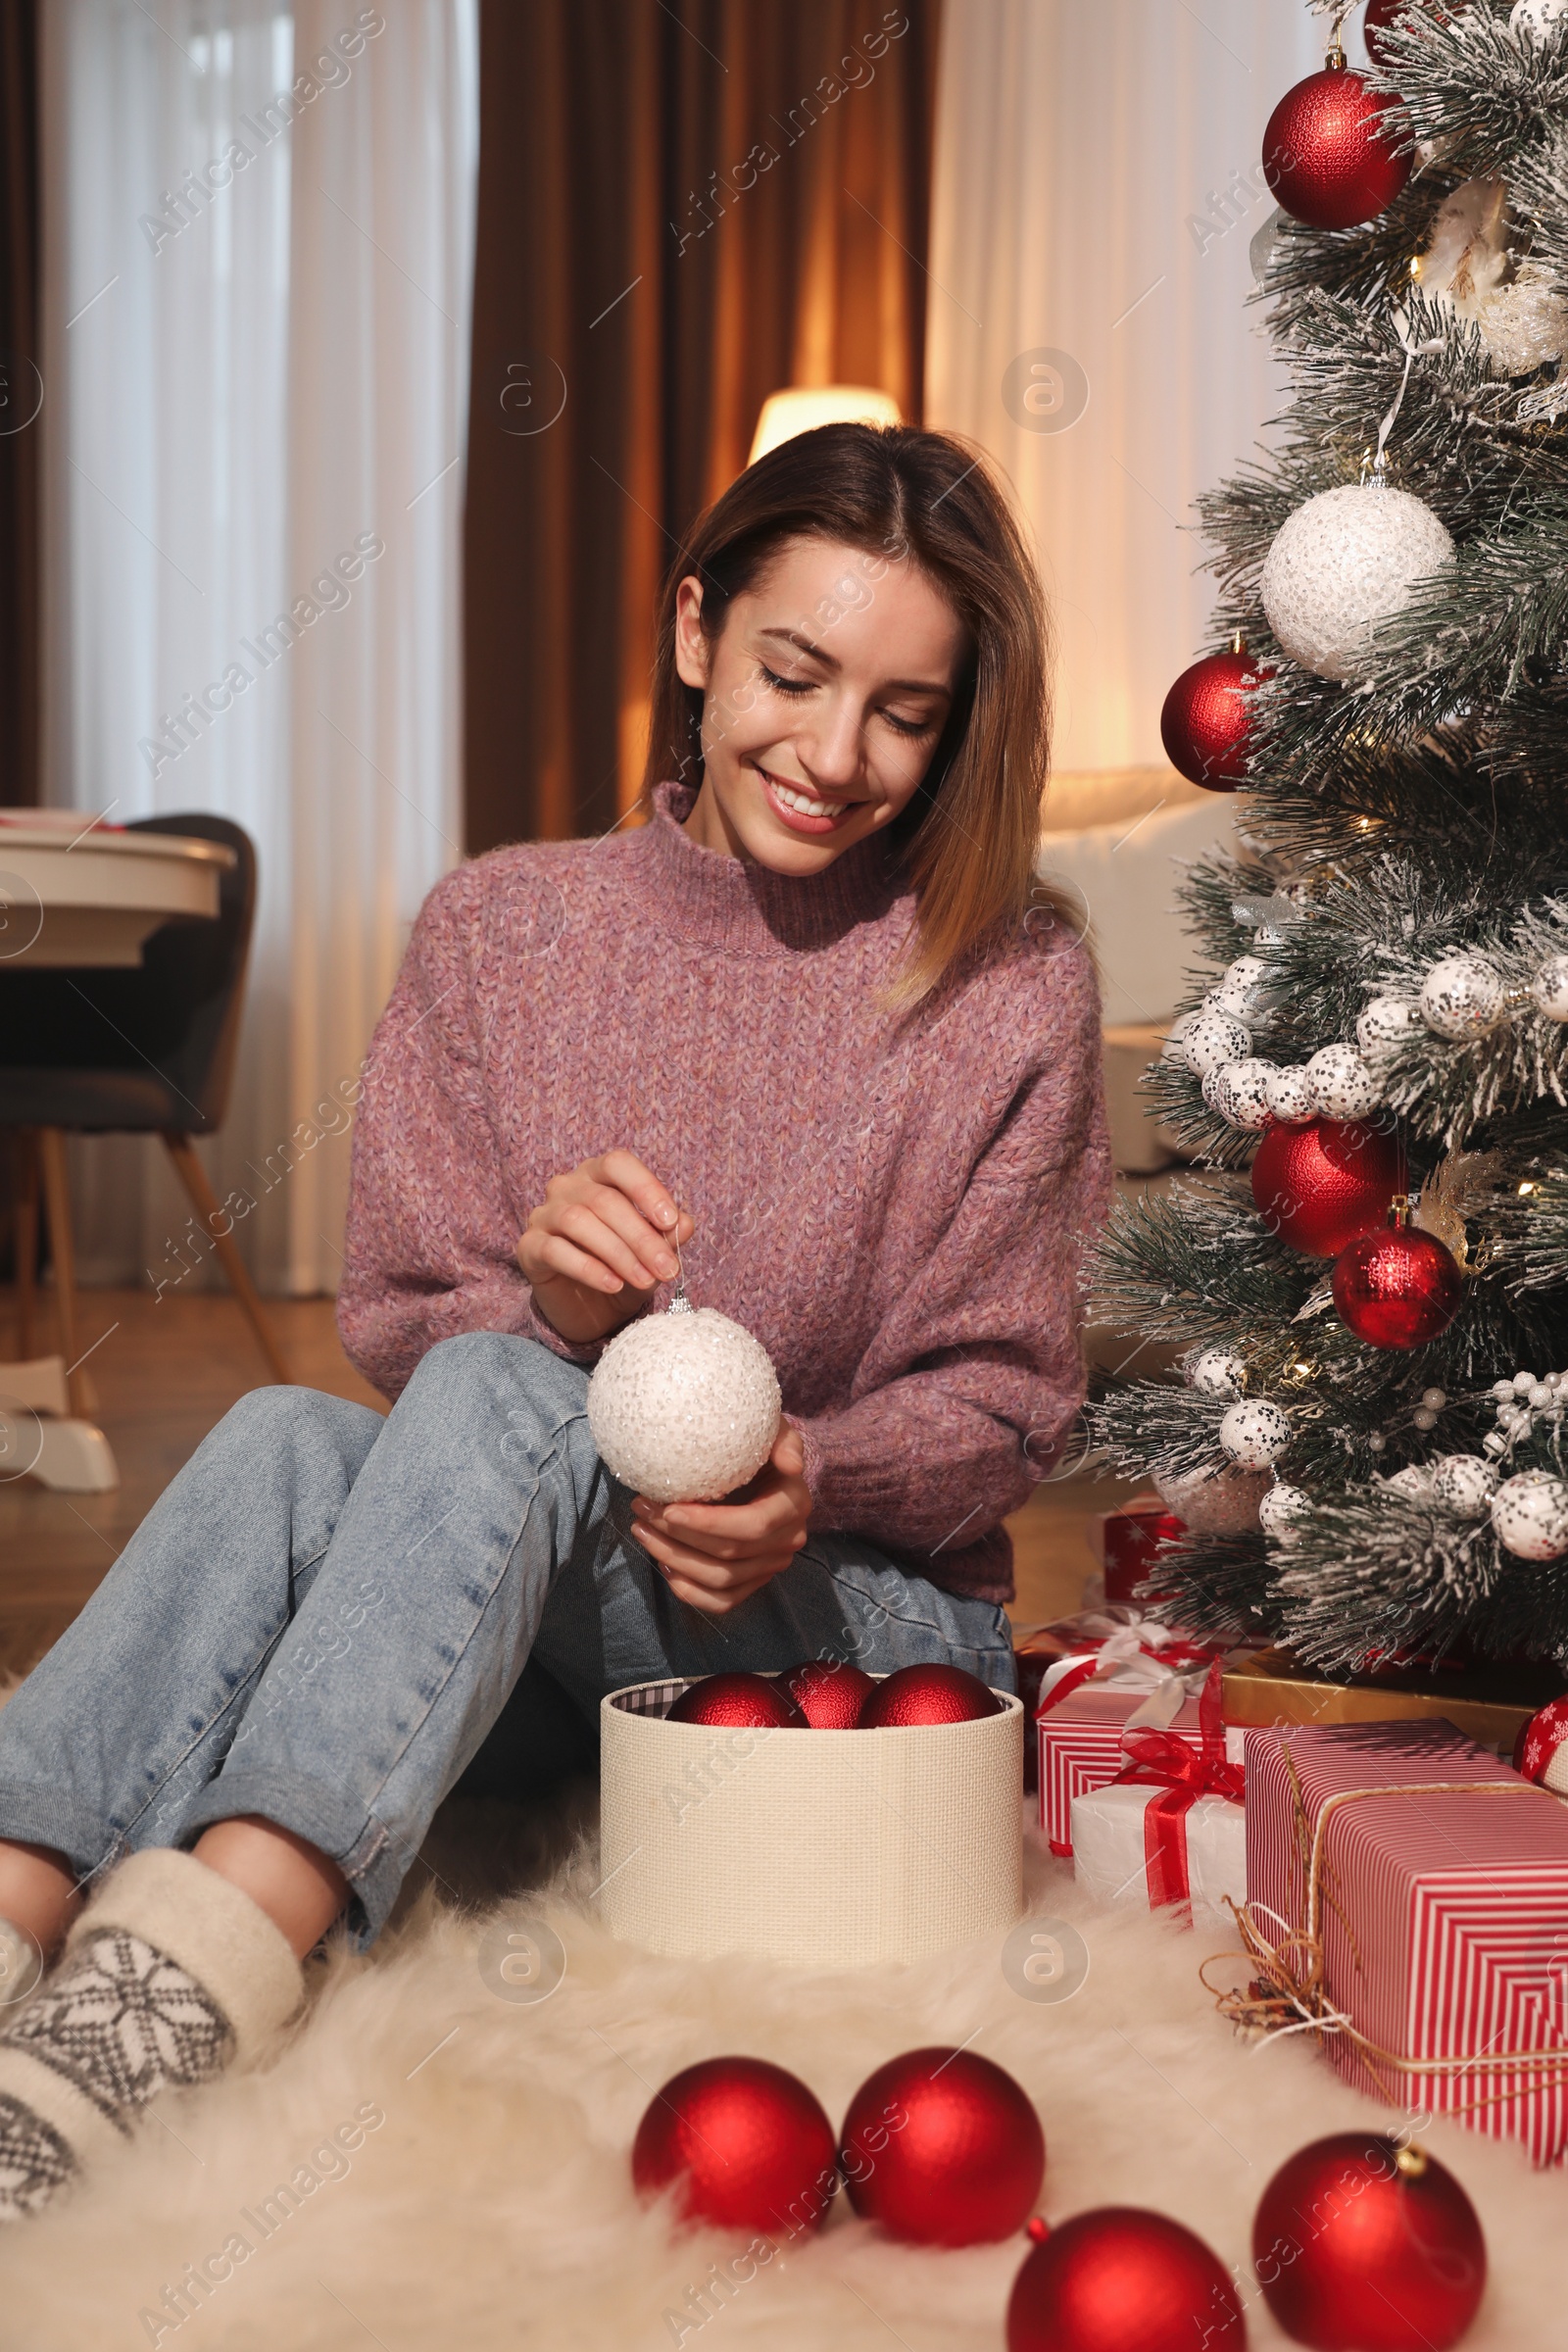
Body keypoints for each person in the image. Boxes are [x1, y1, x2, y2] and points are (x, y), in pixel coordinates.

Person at [0, 422, 1108, 2220]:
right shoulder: (502, 927)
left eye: (905, 712)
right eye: (792, 672)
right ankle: (16, 1904)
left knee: (510, 1389)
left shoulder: (1008, 977)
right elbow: (394, 1309)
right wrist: (555, 1298)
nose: (836, 757)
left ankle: (188, 1983)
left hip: (842, 1649)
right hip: (527, 1646)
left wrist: (809, 1471)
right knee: (302, 1436)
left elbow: (1009, 1404)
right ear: (694, 633)